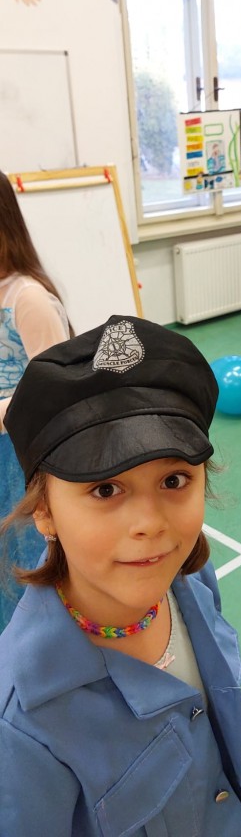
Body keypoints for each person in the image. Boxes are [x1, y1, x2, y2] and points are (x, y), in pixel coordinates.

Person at [0, 315, 241, 837]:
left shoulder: (192, 582)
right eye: (105, 489)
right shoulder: (22, 723)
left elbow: (204, 720)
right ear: (44, 512)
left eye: (174, 480)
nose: (150, 525)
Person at [0, 169, 70, 630]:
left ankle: (33, 637)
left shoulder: (28, 298)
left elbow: (54, 389)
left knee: (22, 550)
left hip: (19, 451)